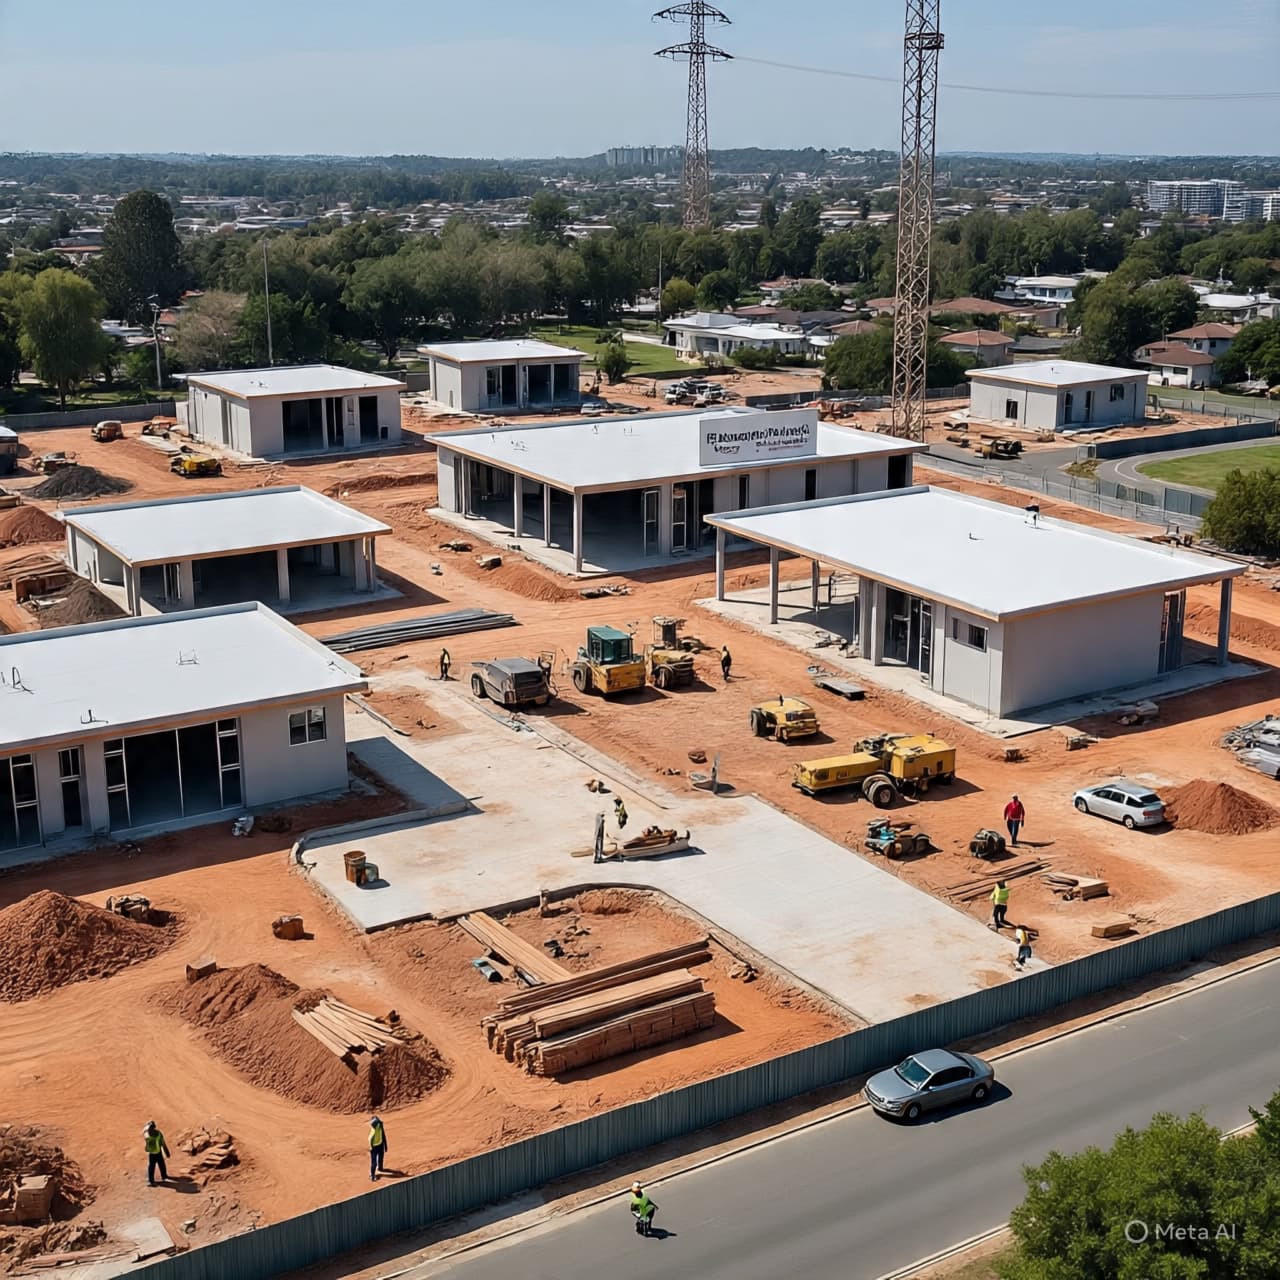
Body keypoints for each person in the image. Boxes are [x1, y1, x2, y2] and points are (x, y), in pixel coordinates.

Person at [143, 1121, 170, 1186]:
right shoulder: (158, 1134)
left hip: (154, 1153)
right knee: (157, 1165)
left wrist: (166, 1151)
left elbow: (147, 1146)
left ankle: (153, 1180)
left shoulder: (149, 1134)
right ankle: (161, 1177)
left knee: (154, 1165)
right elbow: (163, 1144)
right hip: (156, 1152)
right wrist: (167, 1152)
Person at [368, 1115, 387, 1182]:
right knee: (374, 1163)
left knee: (381, 1157)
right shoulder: (373, 1130)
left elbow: (383, 1135)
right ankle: (372, 1175)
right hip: (374, 1148)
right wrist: (371, 1147)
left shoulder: (380, 1125)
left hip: (380, 1145)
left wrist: (385, 1145)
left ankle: (380, 1168)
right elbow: (370, 1139)